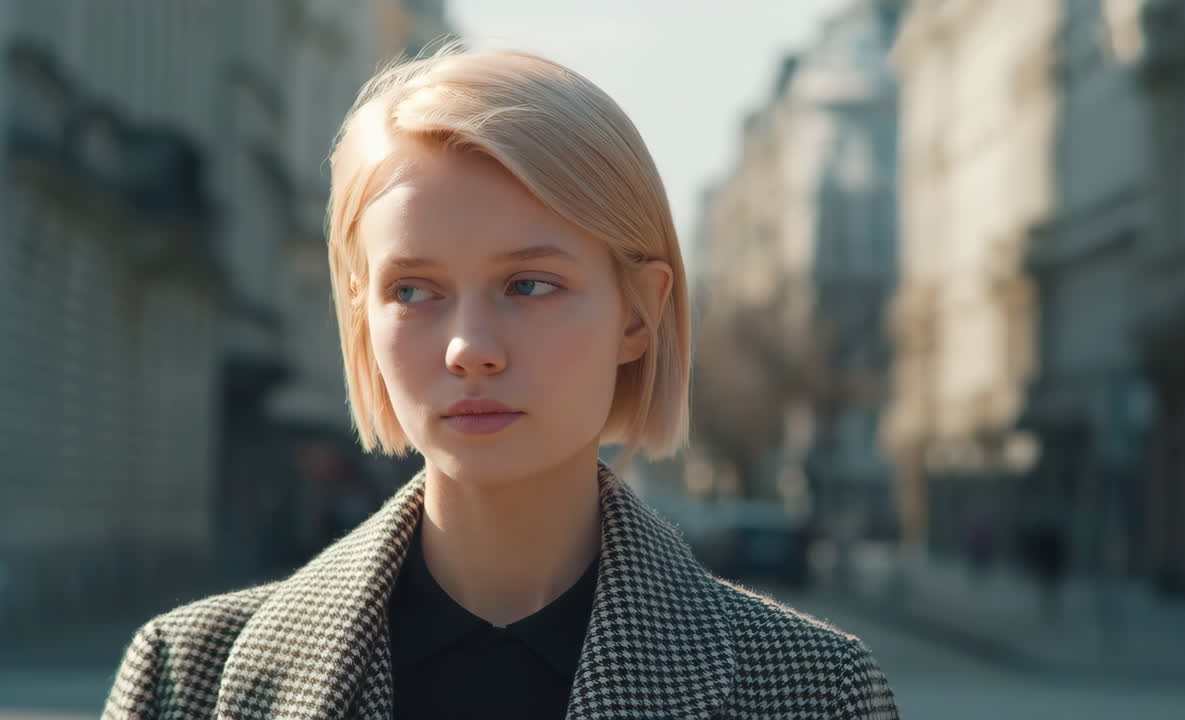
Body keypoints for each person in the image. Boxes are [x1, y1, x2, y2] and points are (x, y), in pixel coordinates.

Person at [103, 45, 899, 719]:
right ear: (361, 318)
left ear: (637, 315)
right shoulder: (188, 680)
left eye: (529, 285)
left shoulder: (813, 691)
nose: (469, 350)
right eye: (413, 291)